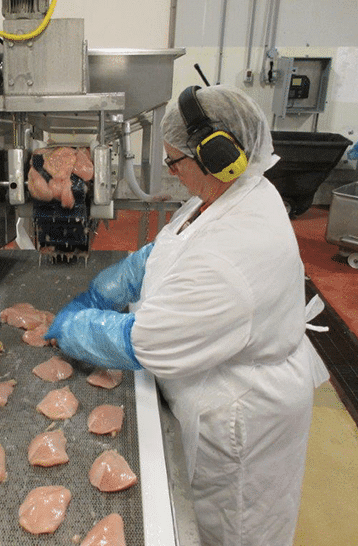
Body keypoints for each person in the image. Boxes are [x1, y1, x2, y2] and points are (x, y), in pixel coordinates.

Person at [45, 85, 329, 546]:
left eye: (175, 163)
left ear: (220, 156)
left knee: (230, 530)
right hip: (216, 375)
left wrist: (77, 328)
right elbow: (172, 247)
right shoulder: (229, 194)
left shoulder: (234, 253)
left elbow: (149, 343)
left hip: (237, 418)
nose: (172, 174)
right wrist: (114, 283)